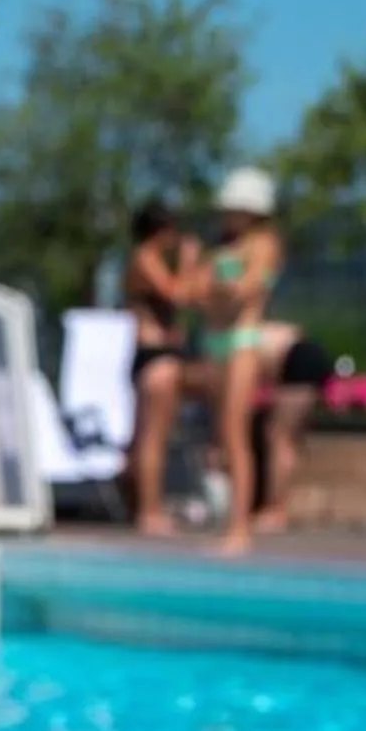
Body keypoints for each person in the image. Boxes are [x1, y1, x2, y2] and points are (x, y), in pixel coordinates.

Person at [186, 166, 287, 554]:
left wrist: (216, 290)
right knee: (221, 438)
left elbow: (244, 291)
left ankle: (240, 527)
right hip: (215, 343)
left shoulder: (263, 243)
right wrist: (215, 288)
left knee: (235, 433)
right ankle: (232, 521)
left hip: (242, 342)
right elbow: (194, 292)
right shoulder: (221, 249)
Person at [123, 199, 201, 533]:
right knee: (152, 437)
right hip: (155, 355)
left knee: (146, 435)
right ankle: (149, 511)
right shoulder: (145, 257)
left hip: (155, 354)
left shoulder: (144, 258)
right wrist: (188, 262)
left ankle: (141, 507)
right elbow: (177, 294)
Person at [241, 319, 334, 536]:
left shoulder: (237, 349)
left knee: (279, 439)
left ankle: (276, 510)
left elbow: (246, 392)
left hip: (298, 361)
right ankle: (274, 507)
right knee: (282, 438)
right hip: (301, 356)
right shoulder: (255, 335)